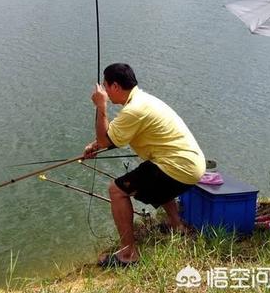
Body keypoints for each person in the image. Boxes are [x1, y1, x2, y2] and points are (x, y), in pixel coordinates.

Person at [83, 63, 205, 267]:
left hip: (178, 167)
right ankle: (177, 227)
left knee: (116, 191)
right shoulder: (142, 100)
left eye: (105, 86)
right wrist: (96, 145)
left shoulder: (133, 110)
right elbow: (113, 137)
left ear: (114, 86)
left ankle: (128, 254)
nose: (103, 91)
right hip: (191, 165)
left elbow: (107, 140)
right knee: (152, 169)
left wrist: (101, 107)